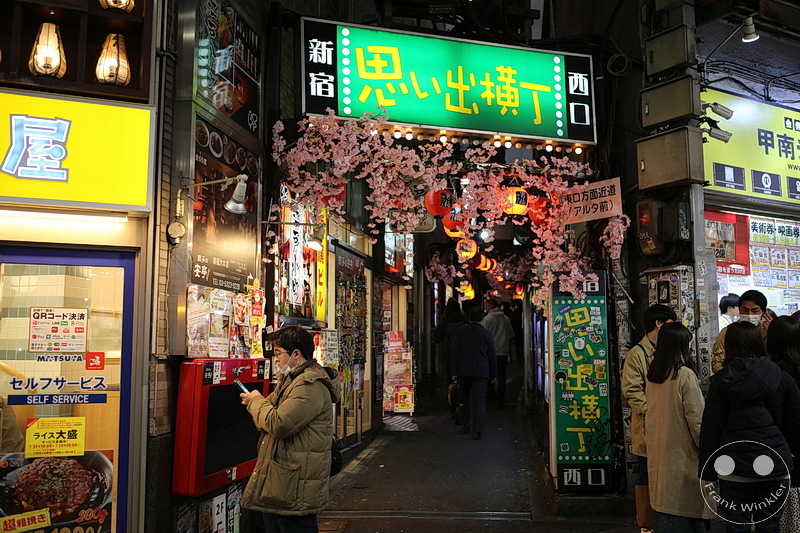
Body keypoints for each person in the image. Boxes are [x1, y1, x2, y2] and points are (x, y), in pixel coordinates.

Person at [700, 321, 800, 533]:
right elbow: (795, 423)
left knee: (737, 525)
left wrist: (707, 472)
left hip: (733, 469)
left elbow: (711, 428)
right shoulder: (782, 377)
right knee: (770, 526)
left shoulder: (721, 383)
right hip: (776, 465)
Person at [240, 325, 339, 533]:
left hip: (295, 483)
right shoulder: (291, 380)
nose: (276, 359)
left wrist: (255, 400)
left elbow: (277, 424)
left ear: (296, 353)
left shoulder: (308, 386)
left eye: (278, 353)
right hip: (281, 476)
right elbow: (265, 420)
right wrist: (261, 408)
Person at [645, 322, 714, 532]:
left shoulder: (655, 374)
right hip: (684, 460)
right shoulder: (684, 375)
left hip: (659, 458)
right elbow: (697, 421)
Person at [621, 303, 676, 530]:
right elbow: (632, 391)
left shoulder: (667, 350)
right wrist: (654, 412)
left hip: (668, 426)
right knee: (647, 474)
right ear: (658, 323)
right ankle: (646, 522)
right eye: (670, 324)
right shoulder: (638, 353)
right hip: (649, 426)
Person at [451, 304, 497, 441]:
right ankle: (477, 430)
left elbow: (455, 353)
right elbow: (492, 355)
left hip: (463, 370)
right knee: (479, 401)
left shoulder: (461, 332)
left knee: (464, 398)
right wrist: (493, 374)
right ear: (482, 318)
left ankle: (465, 423)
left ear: (468, 317)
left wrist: (453, 371)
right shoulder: (487, 334)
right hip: (481, 371)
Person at [711, 290, 773, 374]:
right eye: (745, 310)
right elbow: (717, 361)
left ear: (763, 312)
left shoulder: (767, 331)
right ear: (739, 310)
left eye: (755, 311)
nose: (749, 314)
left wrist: (772, 333)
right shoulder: (728, 331)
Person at [482, 298, 514, 408]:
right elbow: (511, 334)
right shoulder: (506, 319)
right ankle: (500, 398)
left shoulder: (487, 319)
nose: (485, 307)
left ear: (490, 306)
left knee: (489, 375)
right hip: (503, 351)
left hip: (490, 352)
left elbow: (483, 336)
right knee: (502, 376)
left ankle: (491, 397)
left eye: (486, 305)